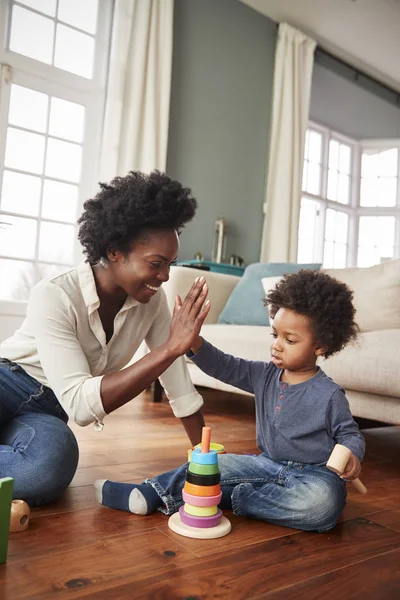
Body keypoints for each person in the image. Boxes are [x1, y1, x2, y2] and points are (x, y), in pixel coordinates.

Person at [94, 269, 365, 532]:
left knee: (322, 506)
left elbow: (350, 435)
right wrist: (194, 342)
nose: (277, 345)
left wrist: (353, 454)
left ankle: (235, 497)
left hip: (315, 476)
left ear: (321, 346)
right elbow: (226, 366)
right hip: (266, 464)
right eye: (275, 335)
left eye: (290, 340)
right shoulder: (265, 375)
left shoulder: (329, 394)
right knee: (213, 465)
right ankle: (151, 492)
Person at [0, 170, 210, 506]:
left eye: (170, 264)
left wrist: (209, 459)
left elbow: (179, 387)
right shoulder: (55, 295)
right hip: (7, 380)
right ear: (114, 251)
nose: (165, 276)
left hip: (46, 410)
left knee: (47, 468)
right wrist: (171, 347)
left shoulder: (153, 303)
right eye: (155, 263)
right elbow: (83, 405)